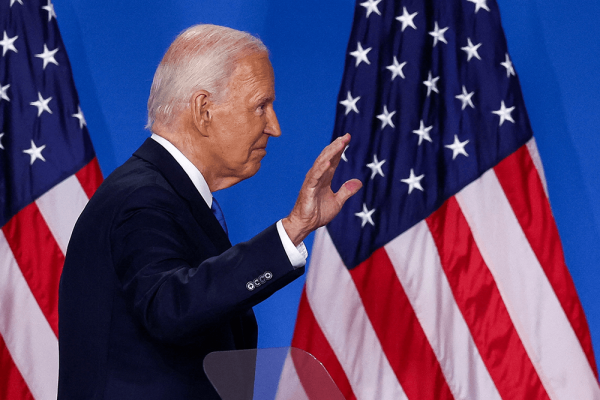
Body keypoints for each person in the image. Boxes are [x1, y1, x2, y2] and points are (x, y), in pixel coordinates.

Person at [57, 24, 361, 399]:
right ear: (203, 111)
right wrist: (292, 229)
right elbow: (171, 308)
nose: (275, 127)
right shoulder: (142, 199)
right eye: (261, 106)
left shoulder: (166, 194)